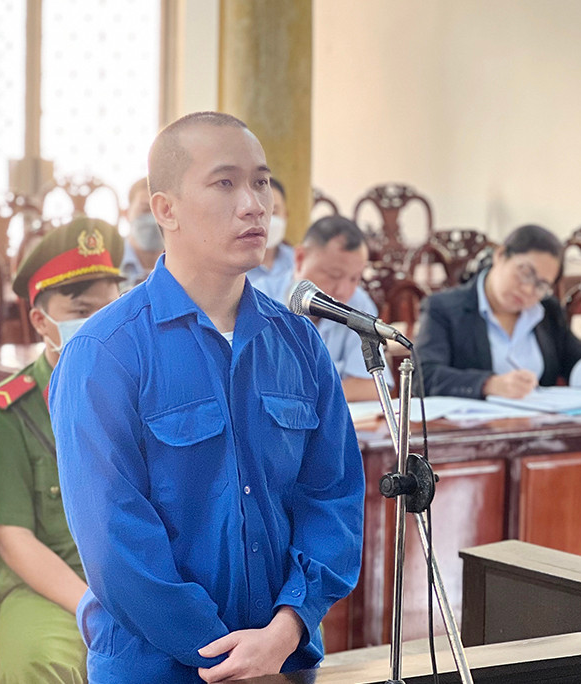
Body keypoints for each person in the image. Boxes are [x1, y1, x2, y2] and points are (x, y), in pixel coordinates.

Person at [48, 111, 364, 683]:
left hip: (284, 658)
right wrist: (226, 657)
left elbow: (333, 498)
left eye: (261, 182)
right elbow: (116, 543)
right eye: (225, 183)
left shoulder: (298, 342)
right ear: (165, 209)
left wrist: (284, 631)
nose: (254, 205)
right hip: (156, 666)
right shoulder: (105, 353)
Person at [0, 217, 125, 683]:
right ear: (40, 320)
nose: (98, 324)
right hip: (47, 590)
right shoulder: (4, 414)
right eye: (81, 310)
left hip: (132, 581)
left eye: (110, 309)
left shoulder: (139, 398)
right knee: (44, 662)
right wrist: (90, 607)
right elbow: (15, 541)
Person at [415, 223, 581, 399]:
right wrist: (488, 384)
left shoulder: (548, 311)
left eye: (541, 285)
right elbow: (423, 376)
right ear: (500, 255)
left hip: (539, 415)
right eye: (525, 273)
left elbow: (579, 362)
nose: (528, 289)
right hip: (474, 416)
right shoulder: (443, 308)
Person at [291, 215, 386, 402]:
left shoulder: (358, 304)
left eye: (354, 278)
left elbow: (371, 386)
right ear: (300, 259)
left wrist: (303, 398)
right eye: (333, 275)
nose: (342, 291)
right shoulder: (260, 297)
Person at [245, 177, 294, 300]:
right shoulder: (233, 267)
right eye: (261, 212)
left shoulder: (296, 262)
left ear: (286, 215)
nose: (267, 220)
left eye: (274, 212)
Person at [119, 177, 162, 290]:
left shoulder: (184, 267)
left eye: (161, 210)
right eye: (146, 210)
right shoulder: (110, 263)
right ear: (126, 213)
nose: (154, 219)